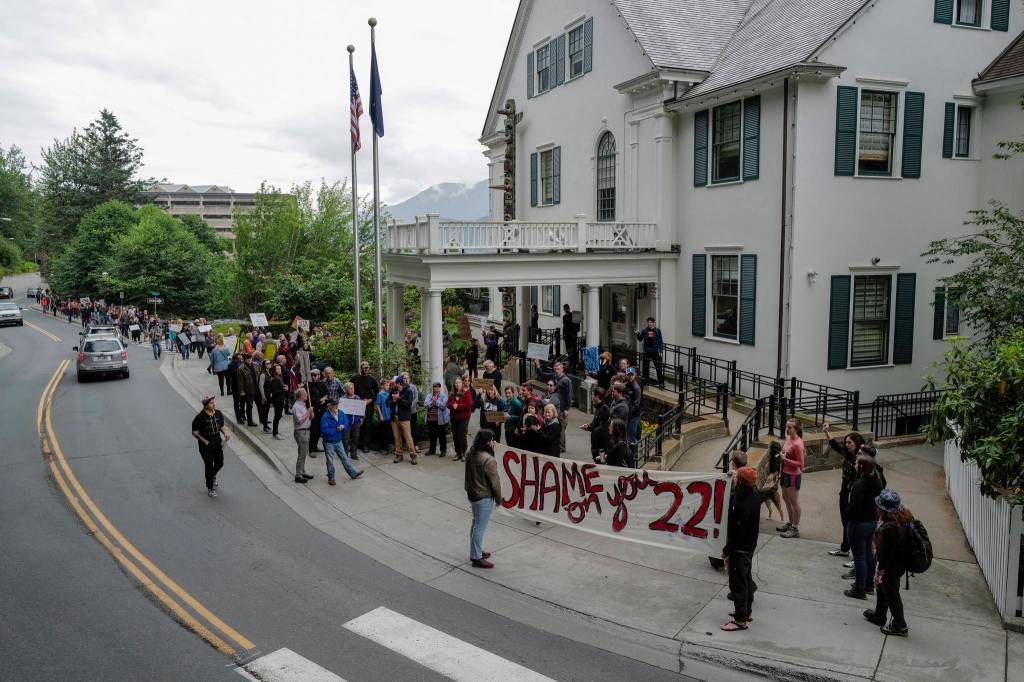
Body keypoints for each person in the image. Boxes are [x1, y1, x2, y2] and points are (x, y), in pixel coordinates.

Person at [865, 490, 912, 637]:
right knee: (884, 589)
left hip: (892, 567)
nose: (876, 508)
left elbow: (885, 555)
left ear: (884, 510)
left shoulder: (889, 529)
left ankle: (900, 625)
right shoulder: (902, 519)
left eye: (879, 506)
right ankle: (880, 615)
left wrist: (880, 572)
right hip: (898, 564)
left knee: (891, 593)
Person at [720, 466, 760, 632]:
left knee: (738, 584)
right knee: (746, 579)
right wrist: (733, 475)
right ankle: (745, 611)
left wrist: (727, 550)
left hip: (740, 548)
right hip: (749, 547)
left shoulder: (742, 505)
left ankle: (740, 620)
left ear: (741, 482)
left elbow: (737, 533)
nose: (734, 478)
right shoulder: (754, 494)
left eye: (737, 477)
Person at [823, 422, 867, 558]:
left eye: (850, 443)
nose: (847, 445)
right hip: (844, 493)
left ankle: (856, 556)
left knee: (852, 525)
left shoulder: (861, 460)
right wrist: (826, 432)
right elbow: (835, 445)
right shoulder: (848, 454)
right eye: (846, 443)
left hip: (853, 497)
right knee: (845, 522)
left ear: (858, 444)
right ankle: (844, 548)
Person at [844, 454, 884, 600]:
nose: (854, 465)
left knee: (859, 556)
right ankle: (868, 585)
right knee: (867, 553)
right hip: (871, 522)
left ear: (861, 467)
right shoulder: (877, 482)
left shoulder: (860, 485)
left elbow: (855, 508)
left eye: (856, 463)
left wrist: (847, 512)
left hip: (858, 524)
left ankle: (859, 589)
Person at [465, 430, 501, 569]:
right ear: (487, 442)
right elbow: (495, 483)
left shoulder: (470, 452)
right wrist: (499, 499)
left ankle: (476, 551)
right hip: (483, 497)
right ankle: (476, 557)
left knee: (475, 524)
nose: (494, 442)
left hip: (472, 494)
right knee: (479, 526)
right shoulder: (488, 460)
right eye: (492, 440)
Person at [191, 395, 231, 498]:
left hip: (217, 443)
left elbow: (221, 426)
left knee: (220, 462)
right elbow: (195, 432)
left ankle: (211, 476)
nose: (214, 404)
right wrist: (204, 441)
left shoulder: (218, 413)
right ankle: (210, 488)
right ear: (206, 405)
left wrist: (225, 433)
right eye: (211, 403)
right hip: (206, 447)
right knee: (209, 466)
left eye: (214, 402)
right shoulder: (199, 417)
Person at [320, 399, 363, 485]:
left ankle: (353, 473)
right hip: (329, 442)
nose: (336, 406)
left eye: (337, 405)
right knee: (330, 460)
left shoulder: (341, 413)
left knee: (344, 458)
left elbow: (346, 422)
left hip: (338, 440)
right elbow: (324, 431)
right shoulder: (325, 417)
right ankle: (331, 478)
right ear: (329, 406)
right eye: (334, 405)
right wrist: (336, 429)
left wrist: (344, 427)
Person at [778, 419, 805, 538]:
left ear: (796, 429)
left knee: (794, 501)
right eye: (786, 426)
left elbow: (801, 464)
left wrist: (786, 460)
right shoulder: (788, 439)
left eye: (790, 427)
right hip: (784, 473)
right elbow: (785, 452)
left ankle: (795, 528)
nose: (787, 429)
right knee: (785, 498)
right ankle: (790, 523)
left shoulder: (798, 444)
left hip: (793, 475)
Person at [387, 378, 418, 464]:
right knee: (397, 438)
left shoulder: (408, 391)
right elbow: (387, 403)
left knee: (408, 438)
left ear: (400, 384)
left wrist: (399, 398)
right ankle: (398, 455)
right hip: (394, 418)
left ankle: (413, 456)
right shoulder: (393, 391)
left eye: (397, 384)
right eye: (395, 384)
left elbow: (408, 404)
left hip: (404, 418)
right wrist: (393, 400)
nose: (396, 386)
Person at [350, 362, 378, 454]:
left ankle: (365, 445)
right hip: (356, 405)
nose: (366, 369)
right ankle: (356, 443)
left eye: (367, 368)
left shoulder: (372, 379)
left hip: (368, 405)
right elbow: (350, 389)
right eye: (364, 368)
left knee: (367, 425)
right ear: (361, 368)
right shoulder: (354, 378)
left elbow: (376, 393)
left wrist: (370, 400)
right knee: (357, 424)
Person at [292, 387, 314, 484]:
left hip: (305, 431)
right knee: (302, 454)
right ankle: (298, 475)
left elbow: (306, 418)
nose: (307, 395)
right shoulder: (296, 406)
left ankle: (302, 471)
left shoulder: (303, 405)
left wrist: (310, 415)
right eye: (305, 394)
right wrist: (308, 413)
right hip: (301, 432)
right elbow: (300, 420)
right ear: (301, 396)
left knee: (304, 453)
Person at [582, 387, 611, 462]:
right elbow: (596, 424)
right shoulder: (598, 408)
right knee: (598, 462)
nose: (591, 396)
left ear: (597, 396)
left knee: (602, 463)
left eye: (592, 394)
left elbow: (603, 429)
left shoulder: (603, 409)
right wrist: (588, 427)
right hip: (597, 445)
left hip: (601, 447)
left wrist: (590, 428)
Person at [449, 377, 474, 461]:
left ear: (462, 384)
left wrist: (458, 406)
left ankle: (464, 452)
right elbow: (448, 404)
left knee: (461, 435)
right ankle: (458, 453)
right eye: (456, 383)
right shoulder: (452, 394)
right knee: (455, 435)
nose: (457, 384)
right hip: (454, 418)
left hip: (463, 418)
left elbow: (469, 404)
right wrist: (452, 406)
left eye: (459, 382)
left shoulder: (466, 393)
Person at [636, 317, 665, 387]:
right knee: (646, 367)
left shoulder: (657, 331)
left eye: (651, 322)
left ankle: (661, 383)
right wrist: (637, 334)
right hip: (647, 352)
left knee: (658, 367)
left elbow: (660, 341)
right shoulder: (644, 330)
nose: (650, 324)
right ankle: (645, 382)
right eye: (648, 322)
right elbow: (640, 339)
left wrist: (660, 351)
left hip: (655, 352)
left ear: (654, 323)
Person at [423, 382, 450, 457]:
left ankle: (443, 450)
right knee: (432, 436)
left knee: (442, 436)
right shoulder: (429, 395)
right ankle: (432, 450)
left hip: (440, 420)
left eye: (438, 387)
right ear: (433, 388)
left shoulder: (443, 396)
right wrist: (432, 402)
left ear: (440, 388)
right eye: (435, 387)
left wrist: (436, 401)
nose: (436, 388)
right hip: (431, 419)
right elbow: (425, 404)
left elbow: (443, 406)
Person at [235, 355, 259, 427]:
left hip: (254, 388)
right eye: (247, 359)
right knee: (249, 406)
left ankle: (247, 419)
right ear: (244, 360)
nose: (249, 360)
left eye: (250, 358)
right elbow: (240, 381)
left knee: (251, 405)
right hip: (247, 390)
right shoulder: (241, 368)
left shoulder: (253, 365)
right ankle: (250, 421)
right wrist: (242, 391)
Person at [307, 368, 326, 456]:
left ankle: (315, 446)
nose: (315, 377)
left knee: (319, 429)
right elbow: (308, 398)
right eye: (313, 375)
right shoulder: (308, 385)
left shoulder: (322, 384)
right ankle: (311, 449)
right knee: (313, 430)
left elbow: (326, 393)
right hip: (313, 410)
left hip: (322, 410)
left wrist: (324, 399)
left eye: (317, 375)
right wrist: (319, 400)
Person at [267, 363, 288, 439]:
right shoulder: (275, 379)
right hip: (278, 400)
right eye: (277, 369)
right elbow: (275, 391)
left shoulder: (279, 377)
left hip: (280, 399)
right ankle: (275, 433)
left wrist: (283, 386)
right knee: (277, 416)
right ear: (274, 370)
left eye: (280, 369)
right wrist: (284, 389)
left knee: (278, 416)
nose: (279, 370)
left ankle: (276, 431)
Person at [625, 368, 643, 445]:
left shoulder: (636, 387)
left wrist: (630, 411)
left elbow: (637, 403)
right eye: (628, 374)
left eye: (631, 374)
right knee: (629, 433)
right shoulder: (627, 384)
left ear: (635, 374)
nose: (630, 376)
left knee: (632, 433)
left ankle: (634, 454)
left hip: (634, 414)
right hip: (628, 413)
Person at [257, 359, 273, 432]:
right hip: (265, 395)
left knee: (266, 411)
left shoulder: (268, 372)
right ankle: (265, 427)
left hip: (268, 393)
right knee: (265, 411)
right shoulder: (263, 374)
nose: (269, 364)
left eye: (270, 363)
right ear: (264, 365)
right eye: (267, 363)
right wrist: (263, 397)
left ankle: (266, 424)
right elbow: (261, 386)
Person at [562, 304, 579, 370]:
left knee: (574, 350)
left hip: (573, 336)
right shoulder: (564, 317)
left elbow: (577, 326)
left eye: (566, 308)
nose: (566, 310)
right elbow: (564, 326)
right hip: (567, 336)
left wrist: (574, 333)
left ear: (569, 308)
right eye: (564, 309)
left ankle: (575, 365)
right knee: (568, 350)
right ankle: (570, 363)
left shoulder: (574, 315)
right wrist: (563, 334)